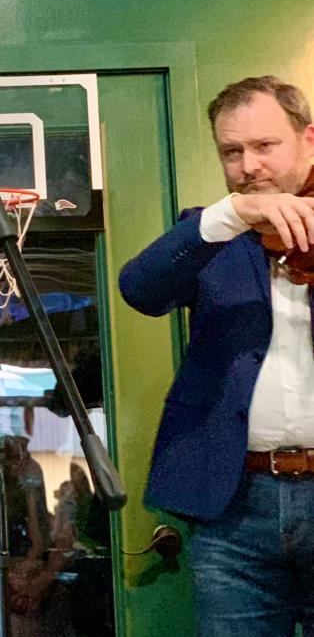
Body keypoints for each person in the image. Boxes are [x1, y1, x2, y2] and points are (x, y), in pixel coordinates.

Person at [119, 75, 314, 636]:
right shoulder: (211, 236)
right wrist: (225, 217)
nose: (248, 165)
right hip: (236, 508)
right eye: (232, 151)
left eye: (264, 146)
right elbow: (140, 289)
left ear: (307, 140)